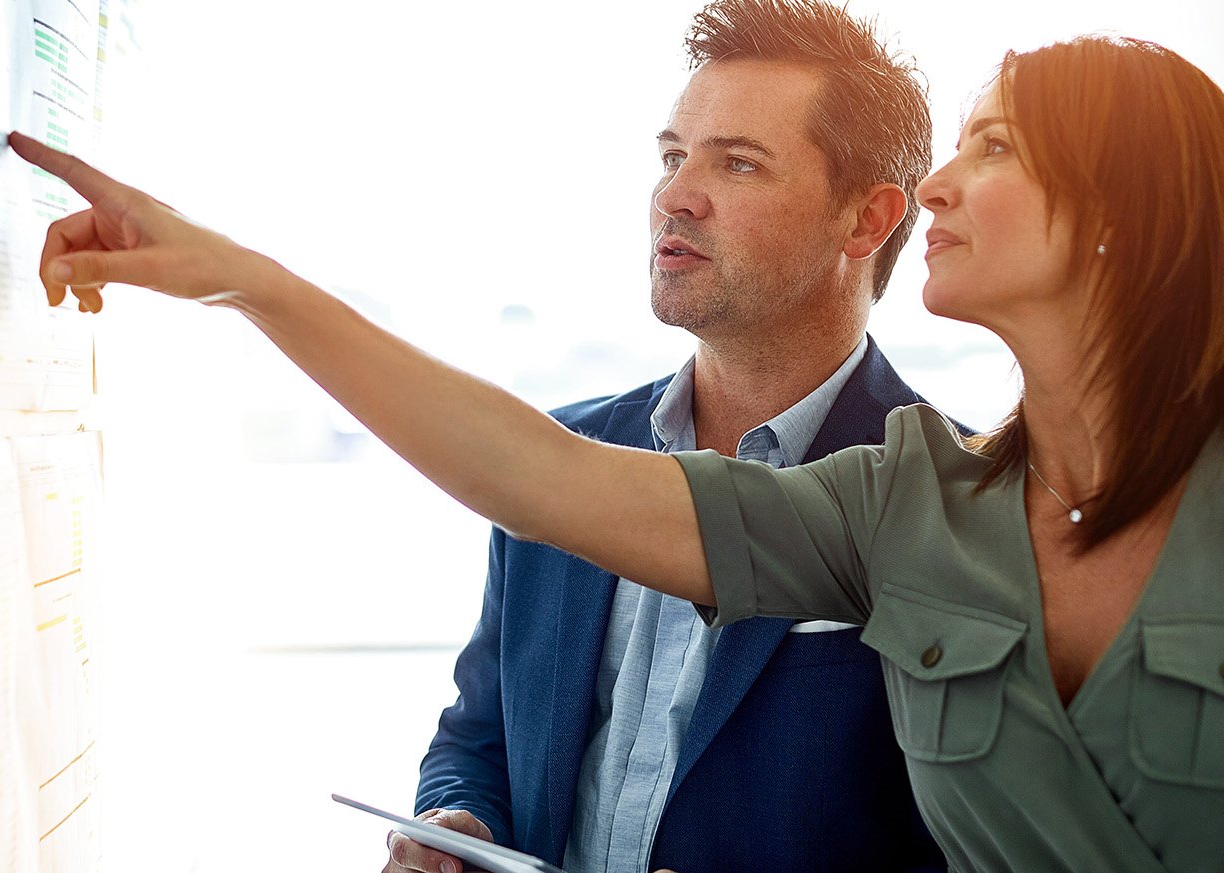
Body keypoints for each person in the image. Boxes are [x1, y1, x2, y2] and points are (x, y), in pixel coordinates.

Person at [7, 33, 1224, 873]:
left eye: (994, 149)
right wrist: (240, 277)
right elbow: (531, 476)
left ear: (1119, 218)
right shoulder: (901, 505)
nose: (939, 187)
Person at [404, 2, 945, 872]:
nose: (674, 195)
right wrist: (457, 821)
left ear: (867, 220)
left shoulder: (952, 497)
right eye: (671, 156)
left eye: (737, 162)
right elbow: (478, 735)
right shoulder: (559, 460)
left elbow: (959, 837)